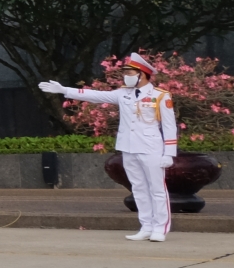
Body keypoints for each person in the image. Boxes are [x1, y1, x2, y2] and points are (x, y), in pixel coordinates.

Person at [42, 53, 178, 241]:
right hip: (128, 147)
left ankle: (160, 228)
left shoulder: (160, 96)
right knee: (138, 188)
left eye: (129, 72)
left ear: (143, 74)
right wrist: (64, 89)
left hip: (151, 147)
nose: (126, 76)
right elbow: (96, 95)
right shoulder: (123, 93)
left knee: (157, 188)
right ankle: (146, 225)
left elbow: (169, 126)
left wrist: (169, 153)